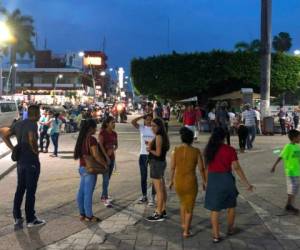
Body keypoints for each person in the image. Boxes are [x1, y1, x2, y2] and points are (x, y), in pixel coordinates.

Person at [204, 127, 253, 243]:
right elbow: (236, 167)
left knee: (214, 209)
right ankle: (230, 229)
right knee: (231, 206)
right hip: (226, 179)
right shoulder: (229, 150)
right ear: (224, 137)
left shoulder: (208, 150)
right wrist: (247, 184)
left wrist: (205, 182)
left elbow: (206, 168)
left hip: (213, 179)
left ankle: (216, 235)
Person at [0, 105, 46, 228]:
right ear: (35, 114)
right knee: (31, 190)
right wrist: (36, 150)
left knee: (20, 189)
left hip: (21, 161)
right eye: (39, 113)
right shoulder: (32, 124)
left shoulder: (19, 123)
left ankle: (17, 217)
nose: (40, 115)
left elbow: (4, 135)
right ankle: (31, 219)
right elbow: (31, 138)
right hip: (31, 160)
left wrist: (13, 148)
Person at [169, 127, 206, 237]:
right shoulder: (196, 151)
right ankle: (186, 231)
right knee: (189, 207)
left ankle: (183, 224)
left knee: (182, 202)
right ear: (191, 139)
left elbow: (172, 168)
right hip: (191, 182)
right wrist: (205, 181)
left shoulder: (175, 150)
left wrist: (170, 181)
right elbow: (201, 168)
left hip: (178, 181)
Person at [74, 119, 107, 222]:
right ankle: (89, 216)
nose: (96, 129)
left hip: (82, 168)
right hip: (90, 169)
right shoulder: (91, 139)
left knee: (81, 192)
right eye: (95, 127)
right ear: (91, 128)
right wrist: (105, 164)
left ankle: (82, 214)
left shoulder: (81, 138)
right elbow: (96, 155)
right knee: (88, 193)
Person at [271, 129, 300, 214]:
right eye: (299, 137)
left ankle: (289, 205)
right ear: (294, 138)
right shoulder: (288, 147)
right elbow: (280, 156)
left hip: (297, 171)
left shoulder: (297, 147)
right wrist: (274, 166)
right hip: (290, 172)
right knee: (292, 189)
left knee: (294, 189)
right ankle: (289, 205)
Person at [146, 118, 170, 222]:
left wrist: (150, 149)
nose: (152, 128)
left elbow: (158, 153)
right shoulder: (161, 136)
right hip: (160, 163)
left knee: (159, 190)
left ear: (159, 127)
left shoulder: (159, 136)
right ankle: (163, 209)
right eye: (151, 125)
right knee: (162, 188)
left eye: (154, 126)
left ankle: (158, 212)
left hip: (156, 163)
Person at [131, 113, 155, 205]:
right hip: (143, 154)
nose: (149, 121)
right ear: (144, 120)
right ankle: (144, 195)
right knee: (143, 177)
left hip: (153, 155)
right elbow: (133, 122)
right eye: (147, 119)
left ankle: (152, 198)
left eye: (150, 119)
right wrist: (142, 116)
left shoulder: (155, 129)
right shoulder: (142, 128)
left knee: (154, 177)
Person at [99, 116, 118, 208]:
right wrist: (106, 156)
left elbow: (116, 145)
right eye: (112, 122)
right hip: (104, 159)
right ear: (107, 124)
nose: (114, 124)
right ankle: (105, 198)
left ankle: (104, 194)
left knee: (108, 178)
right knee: (105, 179)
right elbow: (100, 146)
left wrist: (113, 148)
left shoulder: (114, 133)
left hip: (112, 158)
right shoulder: (102, 133)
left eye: (114, 122)